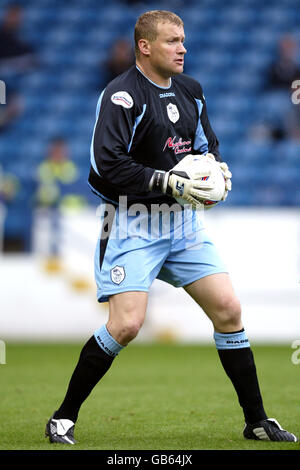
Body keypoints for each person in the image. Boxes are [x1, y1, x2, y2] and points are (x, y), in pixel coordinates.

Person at [45, 10, 297, 445]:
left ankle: (256, 420)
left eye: (183, 40)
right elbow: (106, 165)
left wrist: (215, 171)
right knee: (126, 325)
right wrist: (166, 180)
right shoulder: (122, 96)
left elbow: (207, 145)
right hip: (130, 221)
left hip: (182, 224)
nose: (183, 48)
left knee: (229, 310)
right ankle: (63, 417)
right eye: (171, 41)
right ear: (144, 46)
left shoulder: (191, 91)